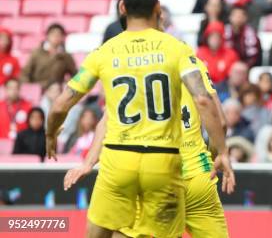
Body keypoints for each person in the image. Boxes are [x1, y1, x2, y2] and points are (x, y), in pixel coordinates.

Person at [46, 0, 230, 237]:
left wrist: (79, 155)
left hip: (126, 162)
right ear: (158, 8)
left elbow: (73, 109)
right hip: (181, 167)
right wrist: (218, 154)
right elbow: (212, 111)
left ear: (122, 7)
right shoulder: (182, 54)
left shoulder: (108, 52)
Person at [64, 55, 232, 238]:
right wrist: (214, 157)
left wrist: (88, 163)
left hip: (157, 173)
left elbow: (106, 123)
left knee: (123, 232)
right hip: (199, 175)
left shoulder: (131, 70)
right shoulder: (190, 61)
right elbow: (220, 121)